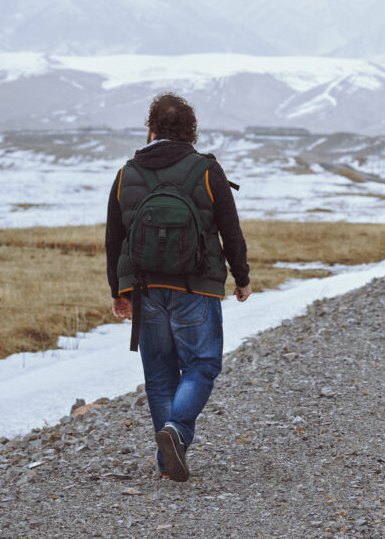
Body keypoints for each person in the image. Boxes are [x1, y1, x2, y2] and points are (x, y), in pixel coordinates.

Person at [105, 93, 251, 481]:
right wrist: (242, 277)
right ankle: (176, 432)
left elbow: (114, 239)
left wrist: (117, 292)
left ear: (151, 128)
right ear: (192, 131)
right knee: (202, 365)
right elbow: (230, 230)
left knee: (159, 375)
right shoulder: (206, 170)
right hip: (197, 288)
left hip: (144, 287)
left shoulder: (127, 173)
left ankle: (165, 461)